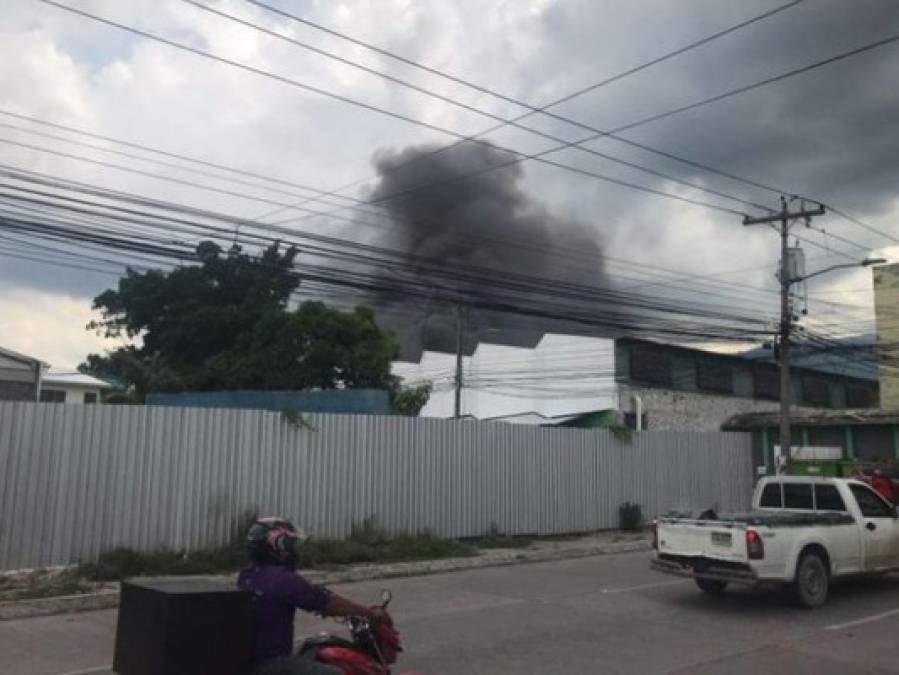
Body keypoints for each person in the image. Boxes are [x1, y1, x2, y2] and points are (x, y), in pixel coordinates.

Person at [238, 517, 387, 675]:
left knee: (309, 648)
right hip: (272, 664)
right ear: (276, 546)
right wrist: (370, 613)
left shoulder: (247, 576)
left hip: (251, 660)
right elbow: (327, 602)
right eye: (290, 544)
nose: (293, 551)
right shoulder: (283, 579)